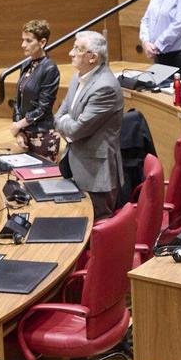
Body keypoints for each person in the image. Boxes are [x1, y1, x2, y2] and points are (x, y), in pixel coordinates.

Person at [55, 30, 126, 217]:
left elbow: (77, 130)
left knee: (97, 230)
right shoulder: (77, 77)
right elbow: (59, 114)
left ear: (93, 57)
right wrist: (66, 121)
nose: (71, 53)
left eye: (77, 49)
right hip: (76, 164)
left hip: (96, 175)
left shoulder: (105, 87)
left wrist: (65, 121)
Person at [12, 18, 63, 161]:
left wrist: (18, 125)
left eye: (28, 41)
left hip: (43, 135)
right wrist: (19, 131)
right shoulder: (26, 65)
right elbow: (18, 100)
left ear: (42, 43)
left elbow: (43, 107)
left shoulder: (50, 68)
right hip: (25, 133)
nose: (23, 45)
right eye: (23, 40)